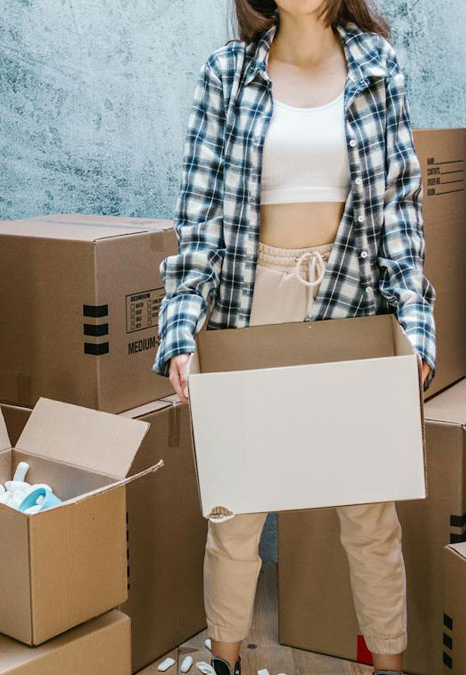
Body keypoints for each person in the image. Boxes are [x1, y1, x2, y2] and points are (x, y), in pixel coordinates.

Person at [153, 1, 436, 673]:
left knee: (369, 514)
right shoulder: (227, 73)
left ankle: (388, 667)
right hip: (252, 306)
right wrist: (182, 326)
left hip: (352, 302)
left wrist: (414, 325)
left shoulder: (377, 68)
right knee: (236, 512)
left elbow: (399, 208)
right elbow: (199, 214)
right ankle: (225, 662)